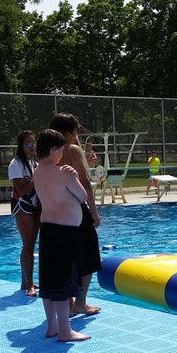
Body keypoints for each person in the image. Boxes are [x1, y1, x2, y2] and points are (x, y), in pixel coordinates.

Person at [31, 129, 91, 342]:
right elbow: (82, 196)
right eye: (61, 151)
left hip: (48, 230)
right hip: (65, 233)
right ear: (54, 149)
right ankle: (65, 331)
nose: (61, 156)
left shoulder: (37, 171)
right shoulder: (63, 173)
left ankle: (52, 326)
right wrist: (74, 176)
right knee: (64, 280)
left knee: (48, 280)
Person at [48, 113, 101, 317]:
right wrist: (94, 212)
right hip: (76, 210)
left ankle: (67, 304)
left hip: (55, 211)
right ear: (69, 131)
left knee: (64, 257)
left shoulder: (47, 152)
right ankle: (80, 303)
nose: (77, 134)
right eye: (76, 130)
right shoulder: (72, 149)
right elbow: (85, 182)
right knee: (88, 255)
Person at [9, 131, 40, 297]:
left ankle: (26, 281)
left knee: (31, 244)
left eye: (34, 143)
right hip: (22, 205)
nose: (32, 147)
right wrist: (37, 177)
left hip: (34, 205)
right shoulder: (16, 164)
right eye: (28, 144)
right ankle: (29, 285)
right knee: (28, 244)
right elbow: (21, 189)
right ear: (21, 146)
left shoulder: (33, 163)